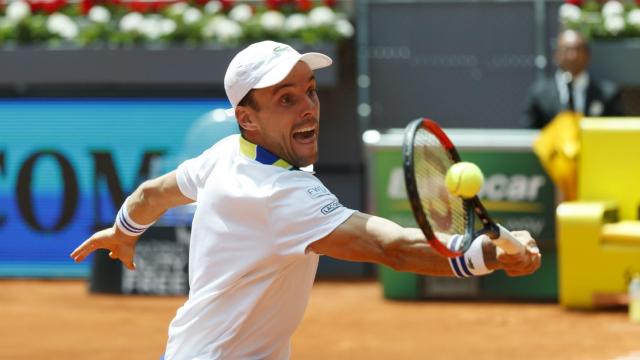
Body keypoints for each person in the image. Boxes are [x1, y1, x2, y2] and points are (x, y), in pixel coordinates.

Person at [71, 40, 541, 359]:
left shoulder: (226, 154)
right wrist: (488, 254)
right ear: (247, 118)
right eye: (285, 98)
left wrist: (124, 231)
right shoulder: (282, 194)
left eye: (310, 92)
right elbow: (391, 247)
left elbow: (153, 193)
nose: (308, 106)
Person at [523, 29, 623, 129]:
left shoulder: (608, 93)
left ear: (587, 55)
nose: (573, 56)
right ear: (556, 54)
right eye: (566, 49)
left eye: (578, 50)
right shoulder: (539, 93)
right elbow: (529, 133)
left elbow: (618, 131)